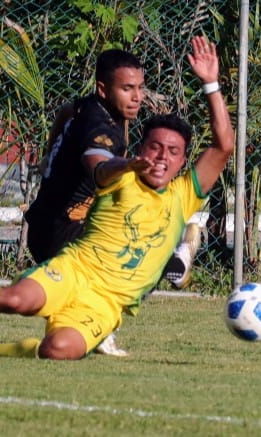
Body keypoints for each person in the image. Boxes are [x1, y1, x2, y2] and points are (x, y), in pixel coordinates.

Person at [0, 35, 233, 361]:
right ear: (140, 148)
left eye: (173, 152)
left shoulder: (185, 192)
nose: (162, 157)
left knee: (58, 350)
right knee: (17, 300)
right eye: (154, 148)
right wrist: (125, 165)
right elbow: (100, 168)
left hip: (107, 303)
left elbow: (224, 145)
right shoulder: (121, 175)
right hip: (75, 268)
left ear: (184, 161)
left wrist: (211, 84)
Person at [25, 48, 201, 356]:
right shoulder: (101, 129)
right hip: (63, 229)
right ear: (103, 89)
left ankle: (95, 328)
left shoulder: (88, 108)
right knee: (136, 262)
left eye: (139, 88)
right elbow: (98, 163)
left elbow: (65, 110)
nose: (137, 97)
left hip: (45, 220)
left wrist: (48, 152)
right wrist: (115, 167)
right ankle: (173, 260)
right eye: (127, 89)